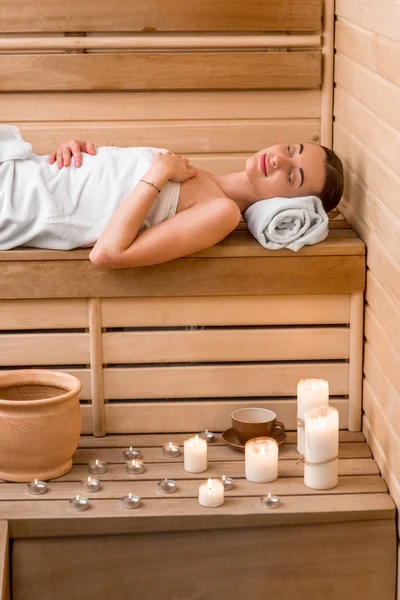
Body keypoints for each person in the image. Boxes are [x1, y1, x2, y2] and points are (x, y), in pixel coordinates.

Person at [0, 128, 344, 267]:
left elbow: (108, 254)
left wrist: (158, 173)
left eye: (293, 175)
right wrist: (71, 153)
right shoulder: (198, 174)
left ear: (290, 204)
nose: (280, 159)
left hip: (14, 201)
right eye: (292, 149)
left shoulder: (220, 212)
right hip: (23, 169)